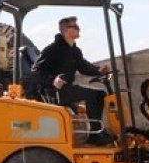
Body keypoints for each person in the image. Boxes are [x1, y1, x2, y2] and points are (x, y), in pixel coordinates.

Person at [32, 16, 112, 144]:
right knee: (93, 95)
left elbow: (83, 67)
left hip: (67, 89)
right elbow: (36, 70)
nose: (79, 28)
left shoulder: (74, 50)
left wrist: (99, 71)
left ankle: (97, 131)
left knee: (99, 94)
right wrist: (53, 79)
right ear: (65, 30)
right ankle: (95, 134)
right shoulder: (53, 49)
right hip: (54, 92)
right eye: (75, 26)